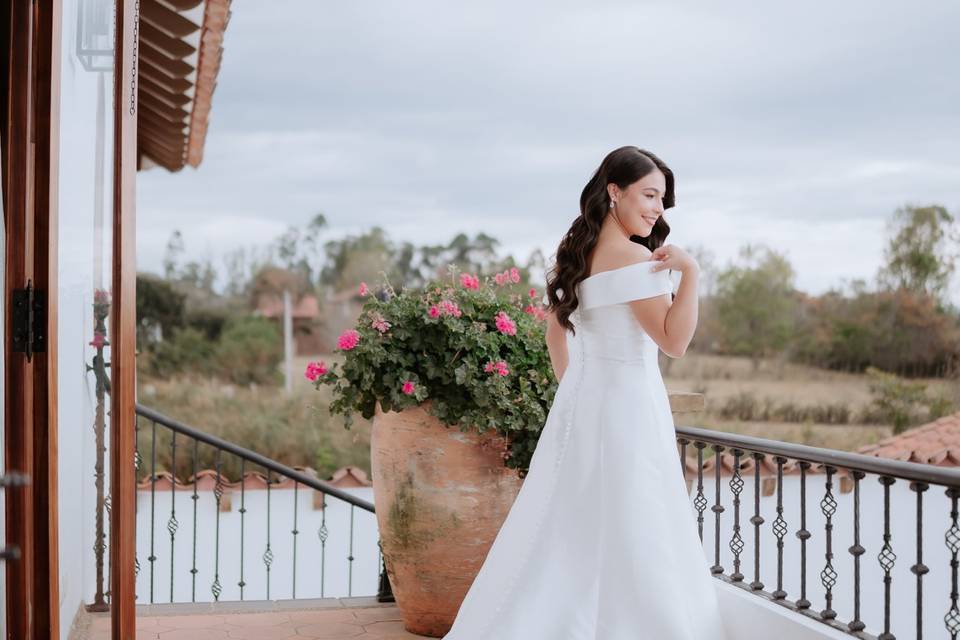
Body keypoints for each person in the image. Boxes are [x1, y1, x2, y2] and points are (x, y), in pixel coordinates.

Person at [443, 146, 730, 639]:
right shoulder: (635, 258)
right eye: (649, 194)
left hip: (587, 405)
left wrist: (577, 391)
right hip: (630, 408)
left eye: (663, 199)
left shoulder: (583, 251)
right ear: (614, 191)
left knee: (571, 524)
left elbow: (557, 334)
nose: (658, 208)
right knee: (635, 523)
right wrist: (693, 273)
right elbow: (674, 341)